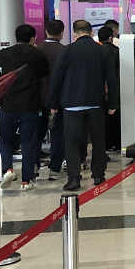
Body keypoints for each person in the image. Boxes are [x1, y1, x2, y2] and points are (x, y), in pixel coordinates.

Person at [48, 19, 118, 190]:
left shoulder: (66, 51)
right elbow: (112, 78)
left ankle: (74, 178)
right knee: (98, 140)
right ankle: (98, 175)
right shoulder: (101, 50)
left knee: (71, 141)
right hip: (95, 103)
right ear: (92, 32)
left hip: (71, 104)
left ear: (74, 33)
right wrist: (113, 103)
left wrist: (53, 103)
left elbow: (56, 79)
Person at [0, 23, 50, 190]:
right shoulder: (37, 54)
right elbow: (44, 72)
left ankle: (8, 169)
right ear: (33, 38)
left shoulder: (4, 53)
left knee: (5, 139)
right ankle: (26, 180)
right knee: (29, 142)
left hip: (7, 103)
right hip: (30, 104)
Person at [37, 20, 66, 180]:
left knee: (36, 134)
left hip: (37, 99)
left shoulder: (37, 50)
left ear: (46, 31)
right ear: (62, 33)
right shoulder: (64, 51)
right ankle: (55, 167)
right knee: (58, 134)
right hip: (60, 99)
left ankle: (33, 165)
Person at [98, 23, 122, 153]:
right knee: (114, 118)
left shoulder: (96, 51)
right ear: (110, 37)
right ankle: (115, 144)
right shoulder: (116, 51)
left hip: (98, 91)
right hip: (115, 89)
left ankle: (105, 144)